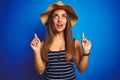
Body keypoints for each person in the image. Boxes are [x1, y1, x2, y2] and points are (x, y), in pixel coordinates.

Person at [30, 1, 91, 80]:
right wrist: (37, 51)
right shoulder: (43, 44)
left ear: (67, 21)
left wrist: (86, 52)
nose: (59, 20)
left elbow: (81, 70)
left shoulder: (75, 43)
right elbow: (40, 71)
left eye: (63, 16)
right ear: (51, 21)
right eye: (56, 16)